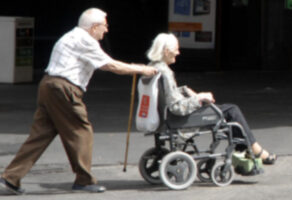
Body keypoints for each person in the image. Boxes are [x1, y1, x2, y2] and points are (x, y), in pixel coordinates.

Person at [0, 8, 157, 195]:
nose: (106, 30)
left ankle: (10, 178)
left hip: (49, 85)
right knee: (81, 131)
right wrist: (140, 69)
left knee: (41, 135)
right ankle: (84, 180)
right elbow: (110, 65)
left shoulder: (71, 36)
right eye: (104, 26)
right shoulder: (85, 40)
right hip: (64, 88)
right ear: (94, 27)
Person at [146, 33, 277, 165]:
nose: (178, 52)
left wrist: (186, 90)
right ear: (167, 51)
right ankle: (256, 150)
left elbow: (169, 93)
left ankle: (245, 148)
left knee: (227, 111)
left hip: (167, 116)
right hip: (178, 119)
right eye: (176, 49)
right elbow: (177, 107)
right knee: (232, 111)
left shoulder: (153, 68)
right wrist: (199, 97)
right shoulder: (166, 73)